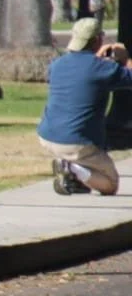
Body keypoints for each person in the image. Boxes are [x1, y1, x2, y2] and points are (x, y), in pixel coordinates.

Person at [39, 17, 132, 196]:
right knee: (109, 184)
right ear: (98, 40)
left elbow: (83, 75)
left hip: (47, 136)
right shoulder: (103, 69)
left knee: (87, 164)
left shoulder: (57, 65)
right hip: (76, 142)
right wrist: (125, 59)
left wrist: (99, 61)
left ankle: (71, 178)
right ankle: (72, 168)